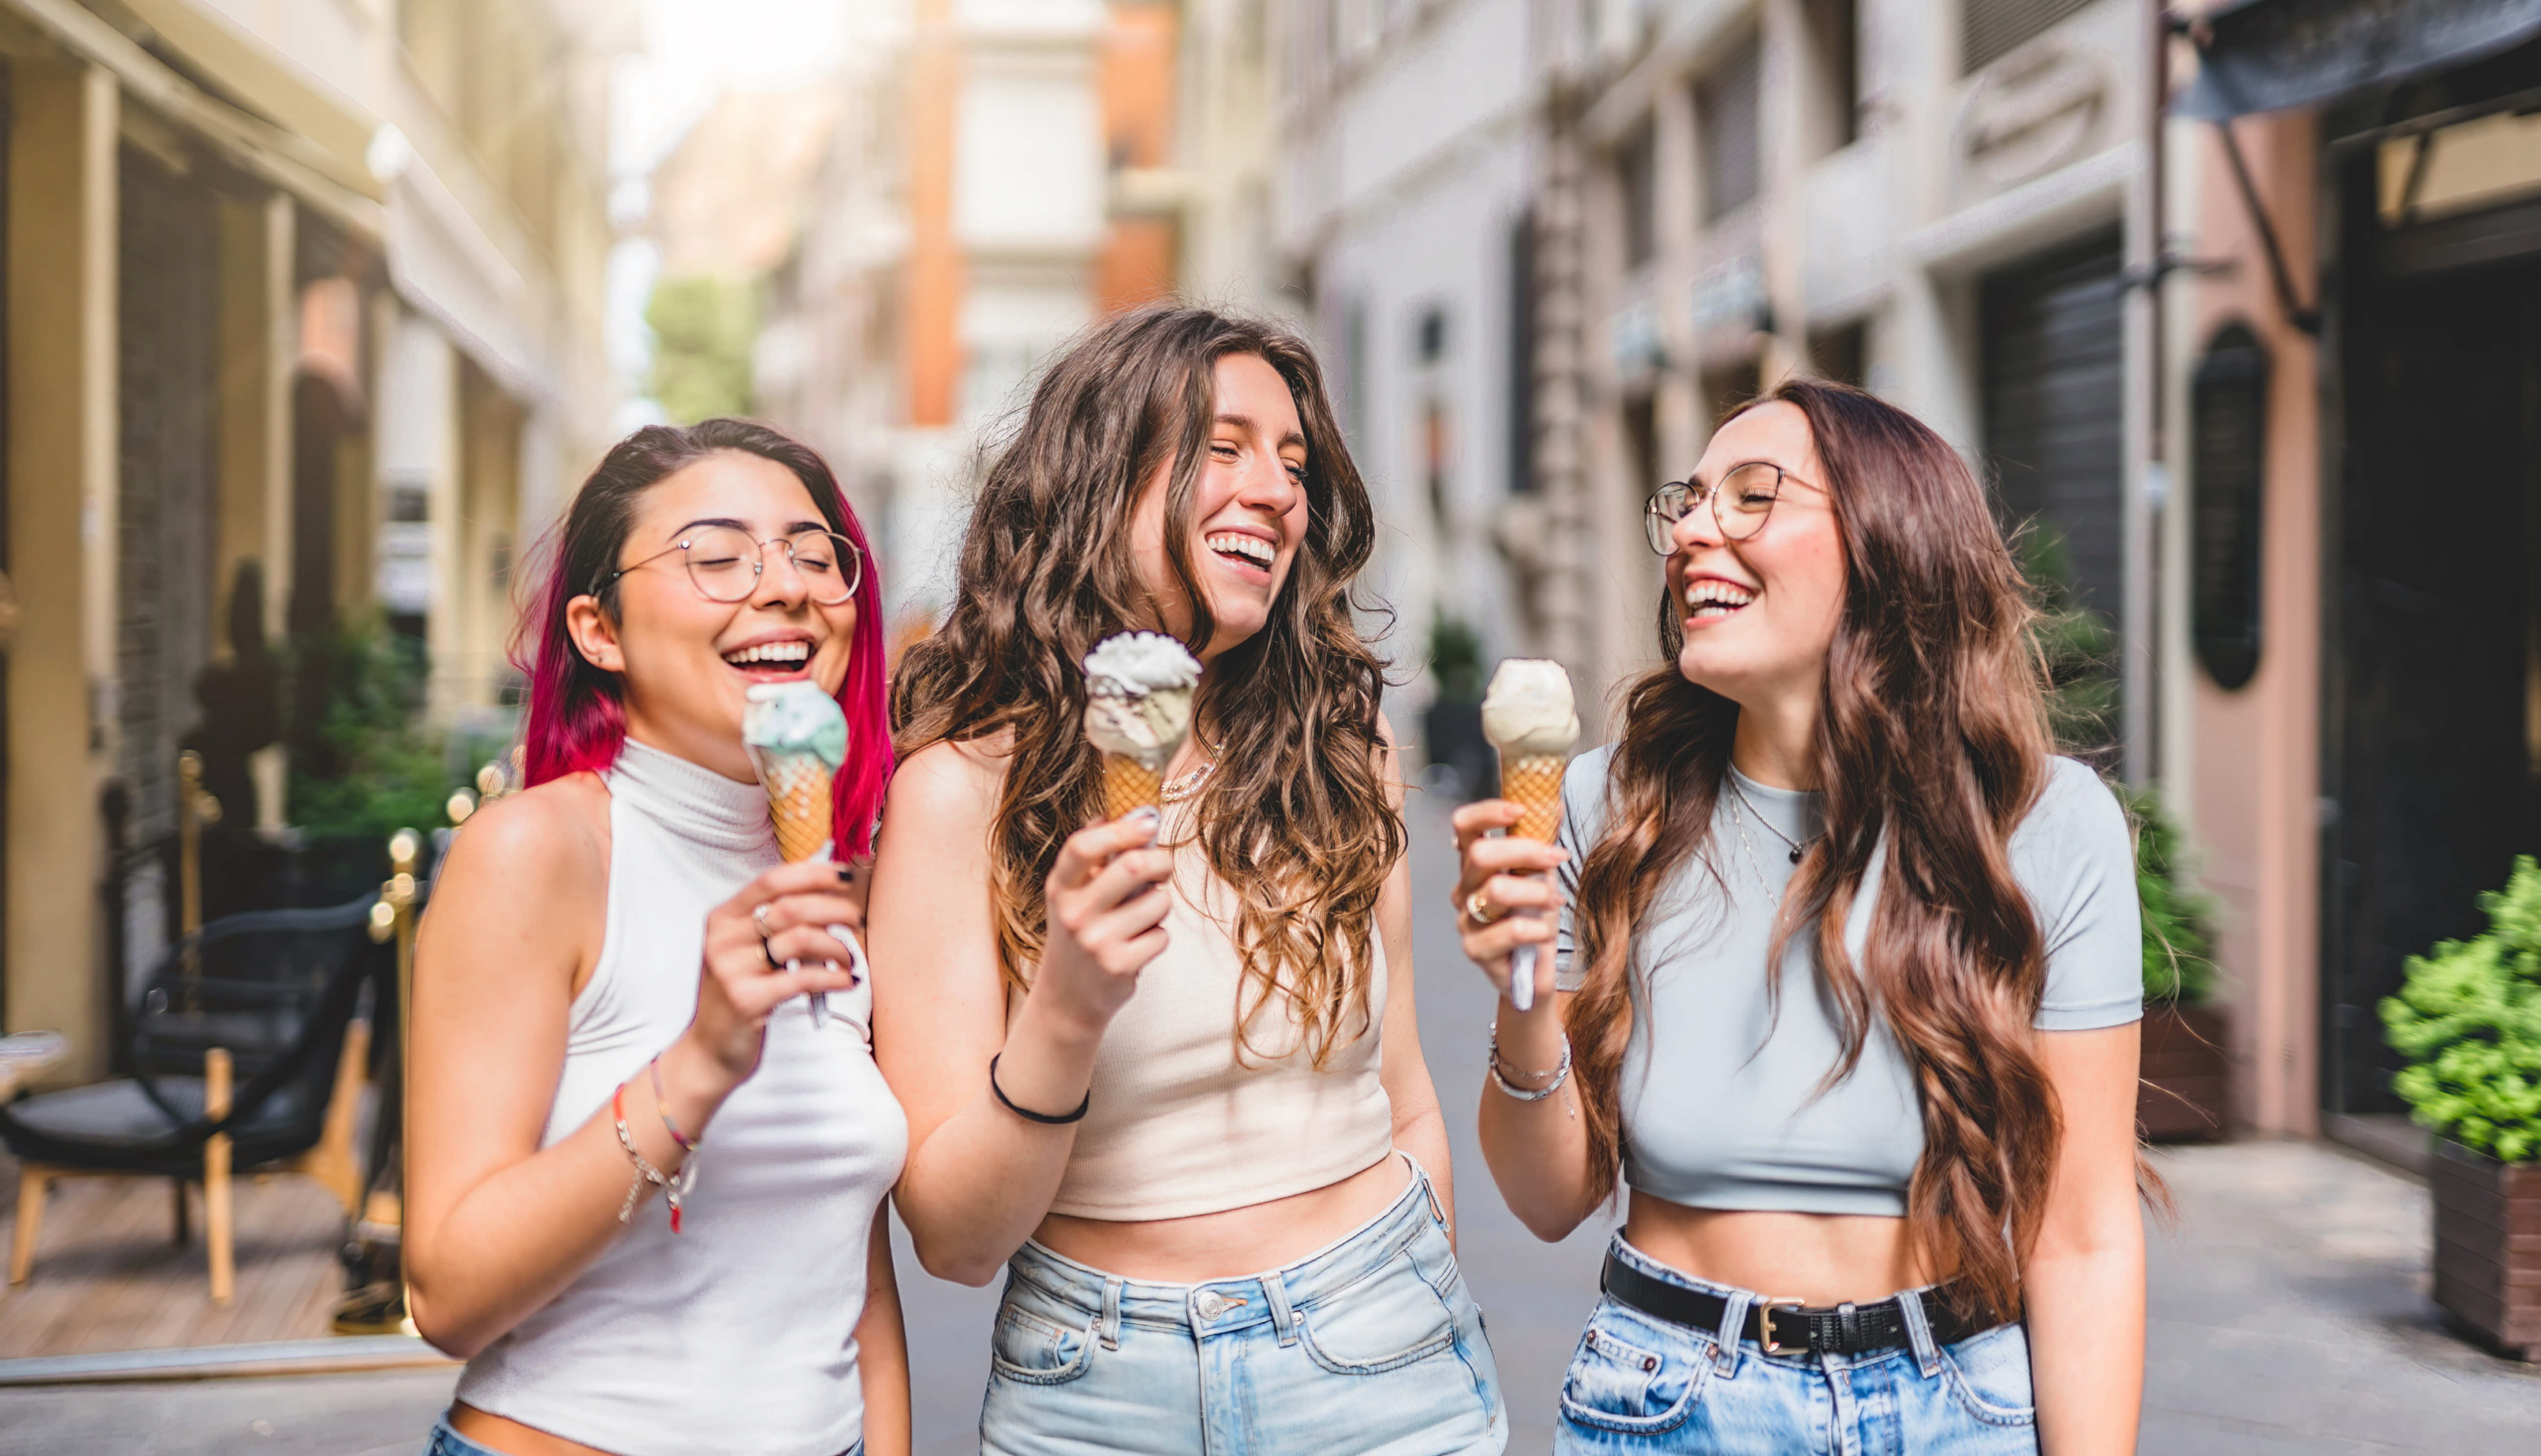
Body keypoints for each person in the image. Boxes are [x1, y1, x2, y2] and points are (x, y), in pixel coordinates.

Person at [1454, 381, 2145, 1454]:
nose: (1689, 530)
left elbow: (2085, 1234)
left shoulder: (2046, 826)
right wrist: (1522, 995)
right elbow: (1548, 1201)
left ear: (1887, 544)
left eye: (1750, 497)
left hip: (1957, 1405)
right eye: (1687, 503)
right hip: (1670, 1399)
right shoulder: (1606, 805)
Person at [872, 305, 1505, 1455]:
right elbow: (954, 1242)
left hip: (1377, 1351)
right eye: (1224, 447)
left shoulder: (1339, 749)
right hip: (1093, 1388)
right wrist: (1064, 1009)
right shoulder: (958, 794)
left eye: (1294, 462)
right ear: (1098, 479)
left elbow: (1406, 1090)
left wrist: (1412, 1285)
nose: (1274, 490)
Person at [405, 419, 909, 1456]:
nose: (785, 587)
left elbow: (852, 1289)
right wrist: (694, 1069)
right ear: (600, 631)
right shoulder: (535, 856)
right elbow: (445, 1294)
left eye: (815, 556)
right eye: (717, 558)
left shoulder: (844, 871)